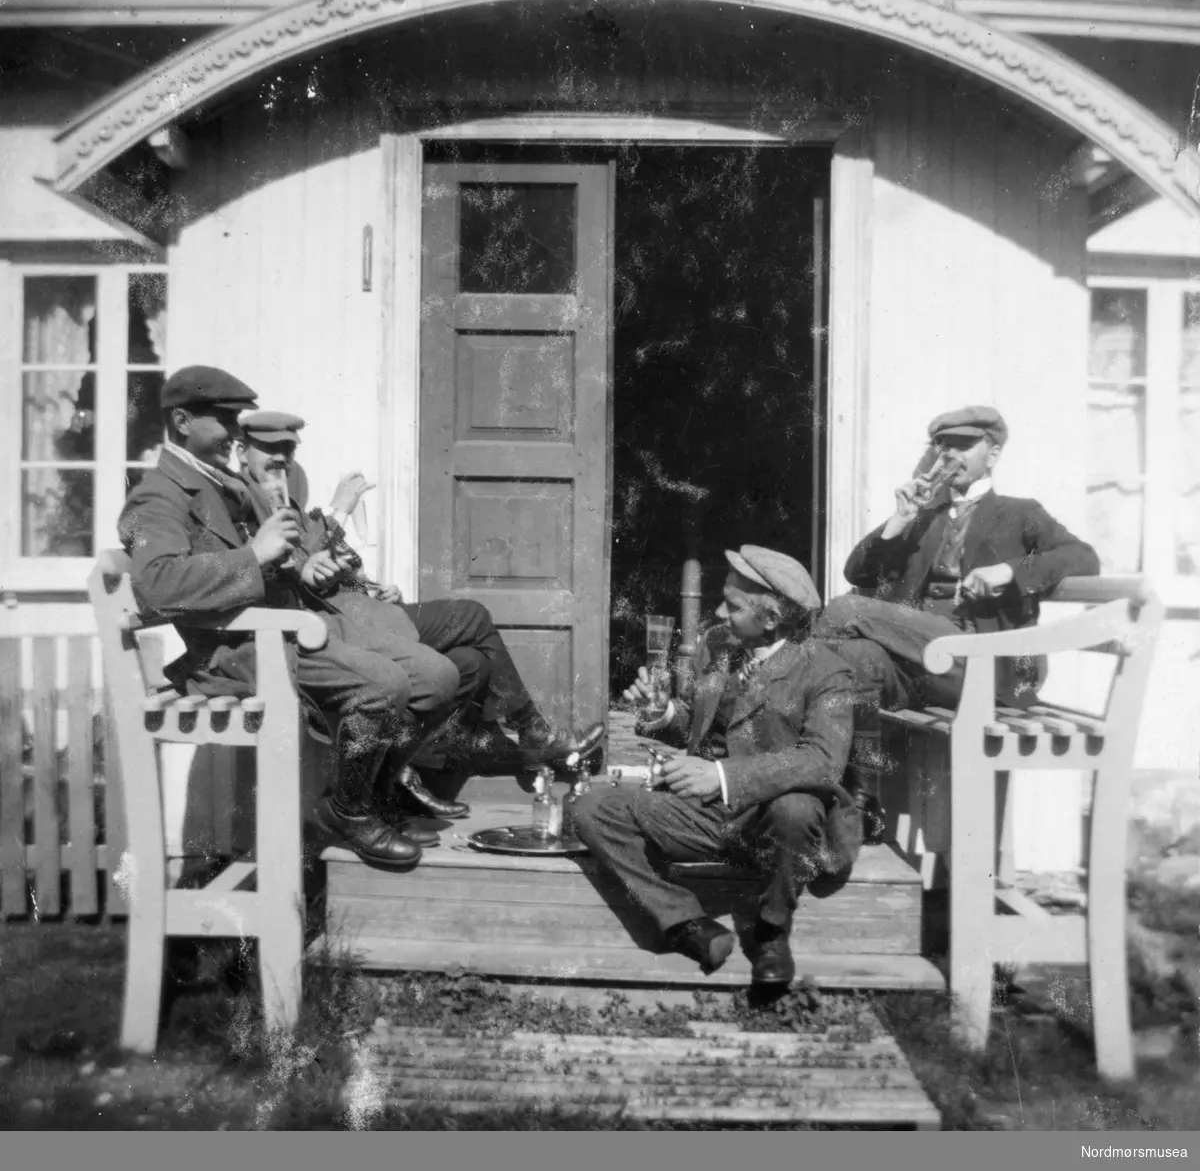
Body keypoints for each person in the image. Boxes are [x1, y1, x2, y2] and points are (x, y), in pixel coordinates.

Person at [118, 367, 463, 869]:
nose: (236, 431)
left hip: (288, 624)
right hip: (234, 652)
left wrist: (298, 558)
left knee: (438, 677)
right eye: (225, 419)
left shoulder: (223, 483)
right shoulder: (159, 494)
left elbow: (277, 550)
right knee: (383, 685)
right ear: (183, 420)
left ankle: (349, 804)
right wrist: (255, 557)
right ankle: (352, 812)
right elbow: (156, 584)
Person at [235, 411, 603, 807]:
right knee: (472, 616)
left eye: (288, 451)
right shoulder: (242, 505)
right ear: (242, 452)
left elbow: (326, 571)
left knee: (471, 664)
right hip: (333, 633)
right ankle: (532, 732)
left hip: (361, 613)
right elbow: (292, 576)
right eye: (270, 450)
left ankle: (401, 777)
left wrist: (372, 587)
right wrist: (339, 512)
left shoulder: (288, 504)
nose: (282, 460)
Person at [570, 546, 861, 988]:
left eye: (734, 605)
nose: (720, 611)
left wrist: (723, 776)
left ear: (771, 620)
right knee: (590, 808)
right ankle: (687, 924)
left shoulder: (827, 673)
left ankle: (771, 932)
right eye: (724, 598)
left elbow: (824, 762)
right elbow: (702, 727)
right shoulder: (719, 645)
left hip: (771, 823)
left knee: (798, 808)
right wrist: (665, 715)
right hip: (704, 814)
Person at [811, 405, 1100, 794]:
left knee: (844, 609)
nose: (950, 455)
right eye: (943, 446)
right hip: (922, 667)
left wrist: (1013, 570)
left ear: (993, 454)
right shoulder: (923, 517)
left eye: (965, 445)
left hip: (987, 667)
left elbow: (1083, 558)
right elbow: (857, 573)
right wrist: (898, 520)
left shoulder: (1019, 513)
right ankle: (863, 802)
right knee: (860, 659)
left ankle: (793, 740)